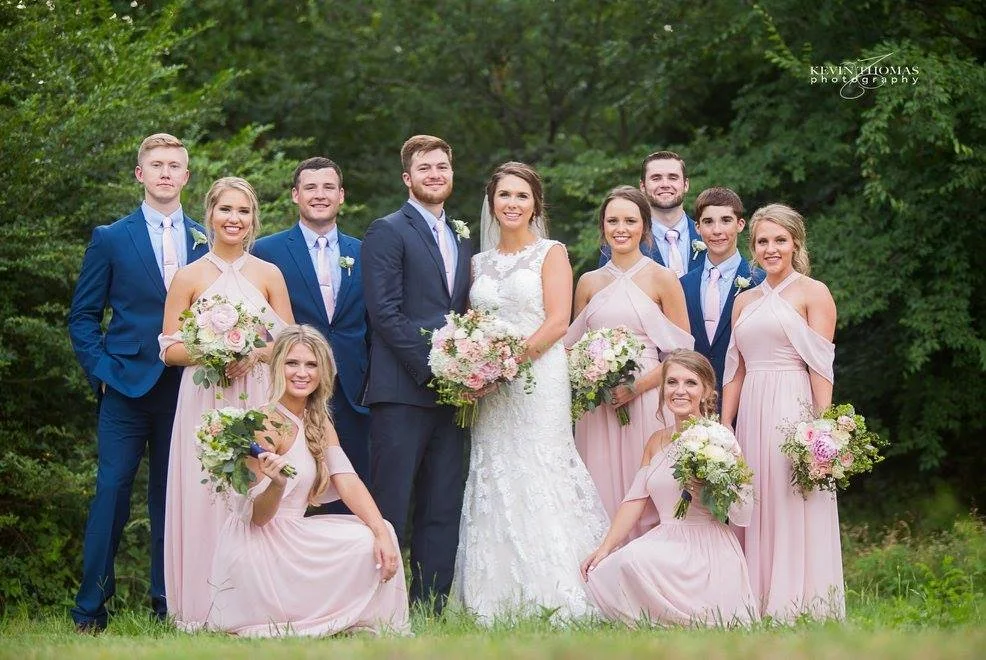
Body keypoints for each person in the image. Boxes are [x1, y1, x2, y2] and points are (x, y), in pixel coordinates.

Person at [451, 162, 608, 624]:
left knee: (541, 468)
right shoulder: (478, 263)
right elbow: (471, 324)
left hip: (539, 377)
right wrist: (472, 366)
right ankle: (492, 596)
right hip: (490, 388)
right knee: (493, 471)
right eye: (504, 196)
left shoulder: (551, 253)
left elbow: (558, 321)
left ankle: (562, 588)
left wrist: (506, 363)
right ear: (491, 203)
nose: (512, 204)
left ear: (535, 203)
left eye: (522, 196)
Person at [68, 133, 209, 631]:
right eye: (157, 165)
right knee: (110, 494)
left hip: (187, 389)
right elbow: (82, 318)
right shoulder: (111, 237)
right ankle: (90, 611)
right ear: (140, 174)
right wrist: (102, 374)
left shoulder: (205, 239)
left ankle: (168, 606)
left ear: (187, 176)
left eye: (175, 165)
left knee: (173, 501)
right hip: (124, 389)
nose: (166, 172)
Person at [206, 325, 409, 636]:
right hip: (262, 543)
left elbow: (347, 481)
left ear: (323, 372)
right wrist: (276, 483)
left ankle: (363, 622)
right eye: (292, 363)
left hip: (294, 532)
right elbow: (258, 517)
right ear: (277, 368)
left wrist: (380, 531)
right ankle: (330, 618)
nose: (302, 373)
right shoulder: (263, 423)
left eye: (311, 364)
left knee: (382, 533)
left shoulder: (317, 420)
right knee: (365, 540)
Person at [159, 176, 293, 630]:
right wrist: (216, 350)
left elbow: (290, 344)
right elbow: (170, 349)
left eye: (243, 212)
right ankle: (199, 608)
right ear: (210, 215)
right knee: (204, 496)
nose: (234, 219)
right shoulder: (188, 277)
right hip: (204, 400)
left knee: (252, 491)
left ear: (253, 219)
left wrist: (251, 352)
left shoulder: (269, 274)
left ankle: (254, 607)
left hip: (255, 396)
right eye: (225, 211)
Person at [361, 135, 472, 612]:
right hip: (403, 391)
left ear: (451, 174)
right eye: (424, 168)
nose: (434, 174)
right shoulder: (386, 231)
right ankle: (380, 605)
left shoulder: (464, 236)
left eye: (442, 167)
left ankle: (428, 607)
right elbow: (384, 314)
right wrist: (434, 369)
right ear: (407, 177)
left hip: (456, 397)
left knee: (442, 506)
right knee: (390, 506)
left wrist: (467, 370)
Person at [721, 203, 843, 621]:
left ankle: (801, 601)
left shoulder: (814, 292)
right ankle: (754, 598)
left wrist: (822, 430)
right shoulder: (742, 301)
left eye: (779, 240)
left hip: (793, 405)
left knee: (792, 498)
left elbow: (820, 366)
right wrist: (724, 427)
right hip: (752, 406)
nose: (770, 249)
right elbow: (733, 372)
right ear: (752, 247)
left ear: (795, 243)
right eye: (762, 242)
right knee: (755, 499)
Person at [582, 350, 757, 627]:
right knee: (615, 566)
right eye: (672, 382)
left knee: (636, 562)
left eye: (690, 383)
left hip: (707, 547)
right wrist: (605, 548)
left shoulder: (721, 438)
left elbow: (743, 512)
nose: (679, 391)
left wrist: (712, 484)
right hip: (666, 540)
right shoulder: (655, 441)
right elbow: (634, 500)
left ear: (706, 390)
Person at [567, 186, 692, 539]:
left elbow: (683, 356)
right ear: (602, 227)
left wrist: (635, 387)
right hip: (599, 407)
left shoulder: (662, 279)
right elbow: (575, 346)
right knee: (599, 481)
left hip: (648, 400)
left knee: (648, 485)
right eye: (613, 221)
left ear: (644, 226)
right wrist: (592, 379)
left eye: (630, 220)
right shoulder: (588, 282)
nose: (621, 228)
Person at [254, 157, 371, 513]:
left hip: (354, 387)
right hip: (294, 388)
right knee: (299, 487)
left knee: (349, 482)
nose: (320, 195)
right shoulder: (266, 251)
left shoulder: (364, 252)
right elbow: (259, 324)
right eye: (310, 187)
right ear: (295, 195)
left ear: (341, 196)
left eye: (328, 187)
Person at [679, 187, 763, 405]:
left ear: (740, 224)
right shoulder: (682, 285)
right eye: (708, 222)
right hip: (693, 402)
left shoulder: (760, 283)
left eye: (726, 220)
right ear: (697, 227)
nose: (717, 230)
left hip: (747, 399)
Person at [598, 151, 702, 275]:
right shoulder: (619, 242)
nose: (665, 184)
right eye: (656, 178)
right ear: (642, 186)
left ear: (686, 184)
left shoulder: (710, 236)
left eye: (673, 178)